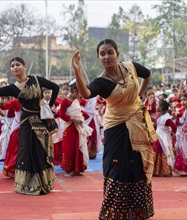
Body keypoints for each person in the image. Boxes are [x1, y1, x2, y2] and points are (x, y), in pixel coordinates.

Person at [71, 39, 157, 219]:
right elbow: (86, 93)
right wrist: (77, 71)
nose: (106, 56)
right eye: (102, 54)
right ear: (98, 58)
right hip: (116, 128)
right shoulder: (101, 82)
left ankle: (138, 211)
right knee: (117, 167)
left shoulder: (130, 67)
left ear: (117, 53)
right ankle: (115, 212)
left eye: (110, 52)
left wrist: (140, 94)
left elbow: (148, 74)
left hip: (137, 122)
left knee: (137, 166)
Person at [0, 56, 59, 195]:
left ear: (24, 66)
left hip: (41, 120)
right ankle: (27, 185)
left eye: (17, 65)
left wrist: (48, 107)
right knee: (26, 151)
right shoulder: (12, 88)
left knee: (41, 151)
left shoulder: (37, 80)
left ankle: (43, 183)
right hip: (26, 122)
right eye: (12, 66)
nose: (15, 67)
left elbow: (55, 87)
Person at [58, 79, 91, 177]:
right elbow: (61, 115)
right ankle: (70, 169)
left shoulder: (76, 100)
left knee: (78, 147)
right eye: (81, 92)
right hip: (70, 128)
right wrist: (74, 119)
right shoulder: (65, 101)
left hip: (78, 127)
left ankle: (77, 168)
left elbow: (79, 111)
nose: (82, 95)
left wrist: (83, 117)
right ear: (75, 91)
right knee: (70, 148)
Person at [152, 99, 177, 177]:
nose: (156, 106)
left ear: (161, 108)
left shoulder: (166, 118)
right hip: (157, 137)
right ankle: (156, 170)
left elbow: (174, 126)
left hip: (163, 139)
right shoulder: (159, 115)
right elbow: (156, 126)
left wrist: (172, 134)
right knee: (156, 152)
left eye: (158, 105)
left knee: (164, 153)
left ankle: (165, 170)